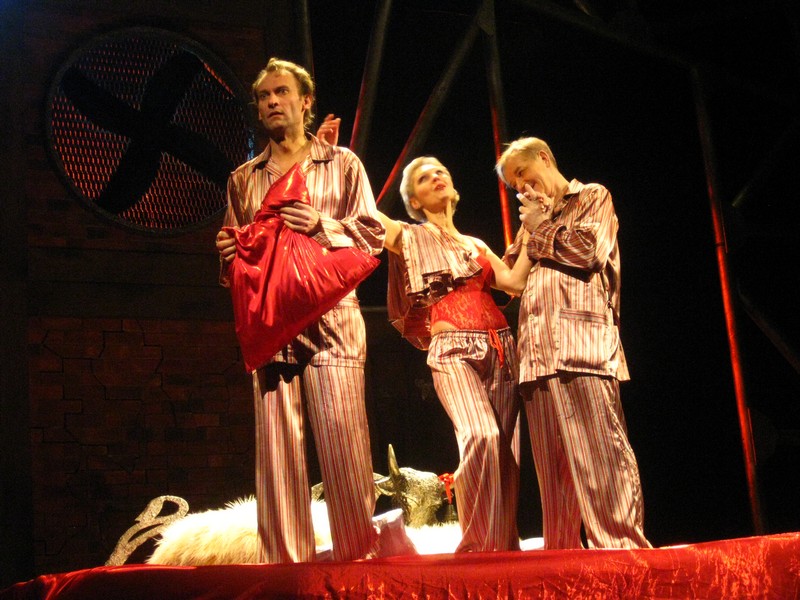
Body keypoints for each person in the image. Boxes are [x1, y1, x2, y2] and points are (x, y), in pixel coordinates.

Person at [215, 58, 385, 563]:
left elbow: (373, 236)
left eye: (282, 92)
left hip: (332, 318)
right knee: (277, 452)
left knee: (343, 442)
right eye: (264, 96)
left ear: (305, 101)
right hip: (271, 322)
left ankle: (357, 560)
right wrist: (228, 254)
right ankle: (285, 569)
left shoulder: (343, 164)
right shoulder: (243, 179)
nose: (272, 101)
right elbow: (236, 257)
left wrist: (320, 224)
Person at [496, 136, 651, 550]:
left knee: (602, 457)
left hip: (582, 348)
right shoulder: (532, 221)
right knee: (555, 478)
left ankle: (622, 554)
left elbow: (588, 252)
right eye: (514, 185)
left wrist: (540, 227)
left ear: (544, 157)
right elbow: (511, 279)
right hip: (536, 358)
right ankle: (563, 563)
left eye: (522, 174)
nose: (521, 188)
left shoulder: (592, 197)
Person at [381, 156, 532, 552]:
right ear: (414, 200)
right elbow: (368, 219)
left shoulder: (475, 244)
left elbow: (514, 282)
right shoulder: (409, 236)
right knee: (481, 436)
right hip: (452, 350)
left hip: (501, 348)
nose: (436, 176)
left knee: (505, 453)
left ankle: (502, 547)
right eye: (423, 177)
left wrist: (534, 228)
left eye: (441, 171)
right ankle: (478, 546)